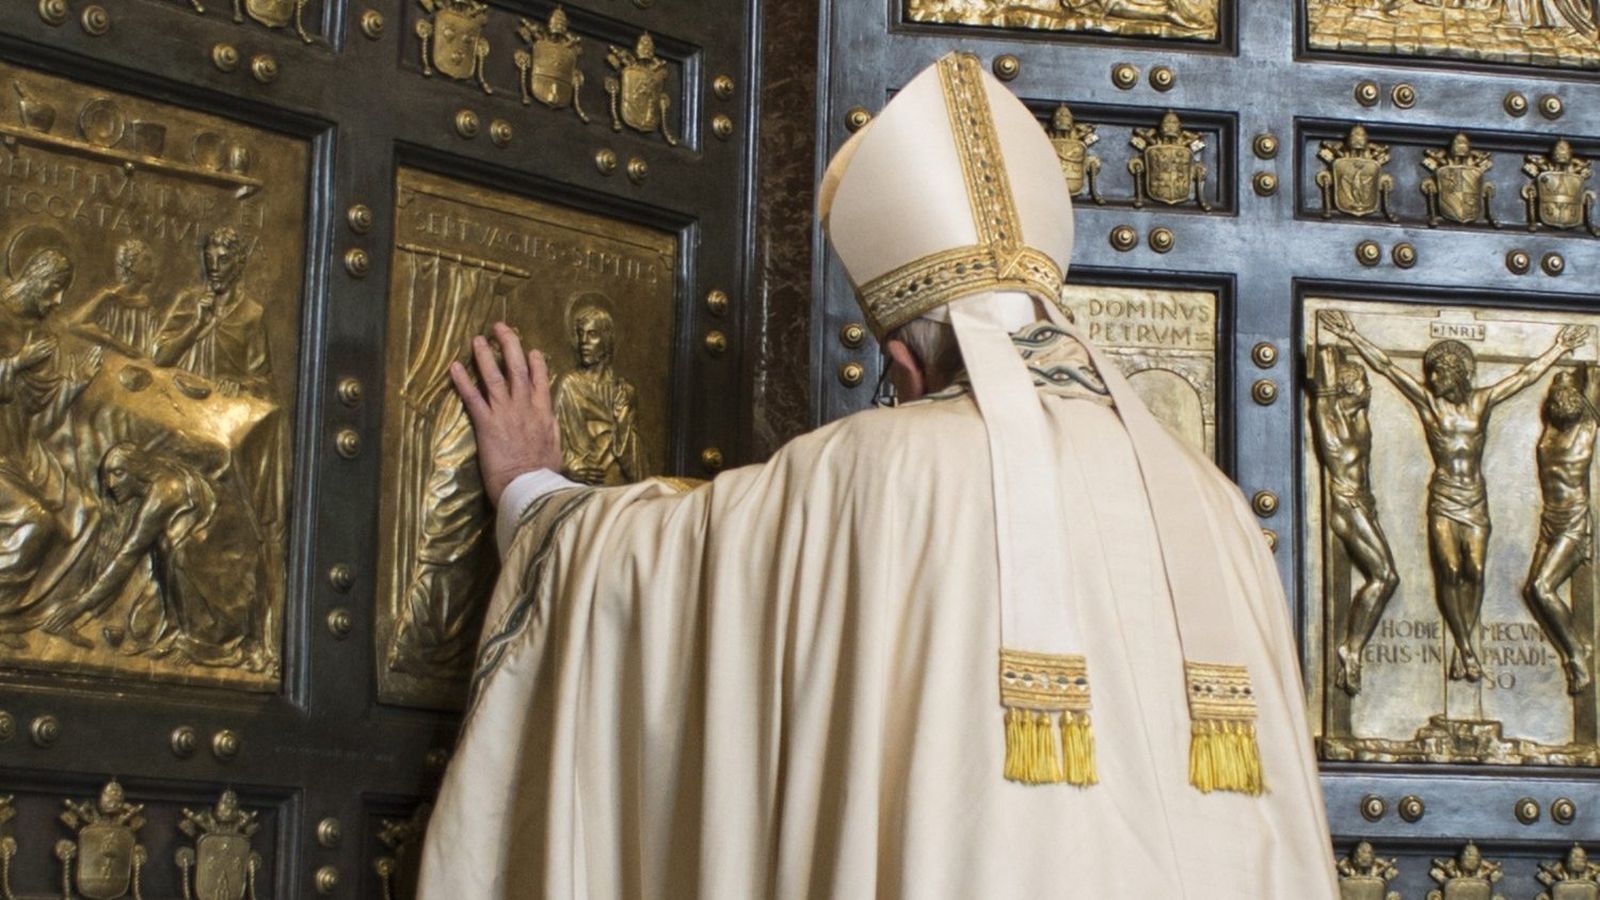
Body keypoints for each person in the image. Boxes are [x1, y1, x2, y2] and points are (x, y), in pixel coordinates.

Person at [420, 52, 1334, 897]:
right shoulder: (1213, 505)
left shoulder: (879, 469)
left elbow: (655, 574)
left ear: (901, 362)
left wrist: (535, 492)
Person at [1321, 310, 1586, 681]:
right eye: (1431, 373)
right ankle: (1465, 648)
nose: (1432, 379)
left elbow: (1525, 377)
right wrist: (1352, 335)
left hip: (1474, 497)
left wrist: (1558, 349)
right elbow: (1387, 368)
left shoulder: (1482, 402)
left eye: (1439, 373)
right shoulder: (1430, 405)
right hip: (1444, 496)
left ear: (1459, 373)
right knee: (1449, 568)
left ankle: (1465, 644)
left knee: (1474, 570)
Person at [1312, 350, 1399, 695]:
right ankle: (1352, 649)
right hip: (1347, 507)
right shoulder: (1331, 421)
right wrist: (1327, 358)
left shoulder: (1359, 418)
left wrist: (1346, 345)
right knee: (1386, 575)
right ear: (1348, 387)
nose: (1369, 388)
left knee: (1385, 576)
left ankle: (1353, 648)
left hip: (1365, 503)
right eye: (1363, 383)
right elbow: (1323, 393)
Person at [1525, 370, 1598, 694]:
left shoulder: (1586, 430)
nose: (1560, 404)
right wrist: (1563, 378)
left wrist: (1591, 379)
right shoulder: (1551, 432)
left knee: (1542, 587)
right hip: (1550, 521)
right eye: (1555, 400)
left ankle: (1576, 656)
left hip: (1573, 523)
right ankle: (1575, 643)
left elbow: (1591, 398)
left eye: (1567, 399)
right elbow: (1563, 394)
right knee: (1532, 591)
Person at [551, 296, 644, 485]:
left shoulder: (625, 391)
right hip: (582, 486)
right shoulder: (570, 385)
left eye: (592, 334)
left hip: (618, 487)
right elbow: (555, 440)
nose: (583, 341)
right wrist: (569, 467)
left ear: (607, 339)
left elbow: (636, 463)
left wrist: (622, 421)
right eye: (580, 334)